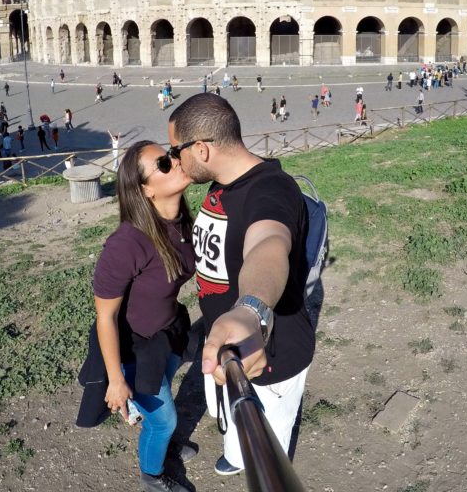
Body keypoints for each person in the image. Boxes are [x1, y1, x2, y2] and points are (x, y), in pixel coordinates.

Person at [167, 94, 314, 477]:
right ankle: (235, 454)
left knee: (267, 435)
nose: (173, 159)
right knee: (234, 418)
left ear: (200, 149)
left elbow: (269, 246)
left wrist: (251, 308)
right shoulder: (224, 184)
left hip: (268, 350)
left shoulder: (271, 189)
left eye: (175, 150)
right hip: (228, 342)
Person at [76, 140, 196, 492]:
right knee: (163, 420)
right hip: (136, 350)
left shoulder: (181, 223)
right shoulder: (127, 243)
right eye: (163, 163)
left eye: (172, 155)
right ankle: (152, 477)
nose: (175, 161)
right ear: (145, 190)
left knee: (162, 407)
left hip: (168, 332)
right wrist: (116, 380)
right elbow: (105, 317)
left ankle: (162, 437)